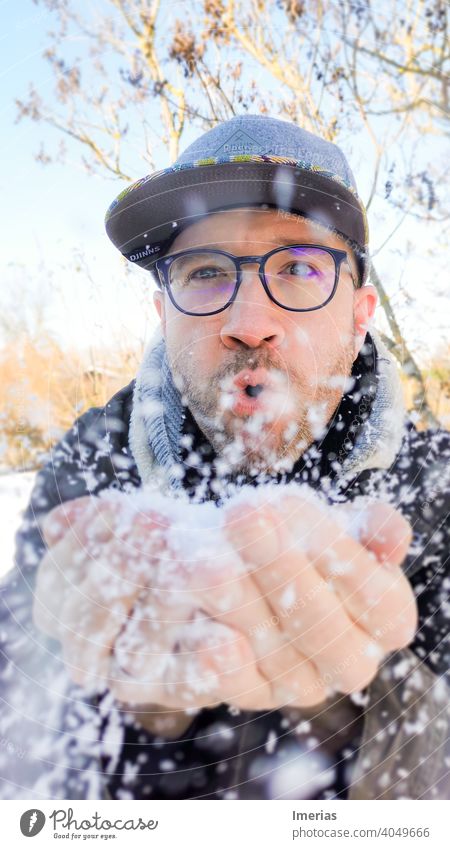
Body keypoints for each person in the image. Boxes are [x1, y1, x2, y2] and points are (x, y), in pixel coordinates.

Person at [1, 115, 449, 801]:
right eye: (206, 272)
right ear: (163, 311)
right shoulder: (94, 471)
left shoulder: (434, 491)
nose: (246, 321)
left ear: (361, 312)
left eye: (299, 267)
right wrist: (95, 696)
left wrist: (375, 700)